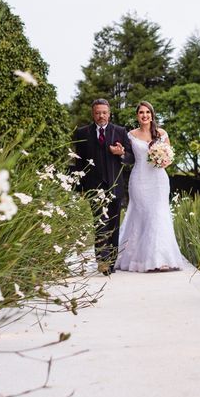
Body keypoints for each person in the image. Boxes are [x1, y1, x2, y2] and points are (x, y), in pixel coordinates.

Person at [115, 101, 185, 272]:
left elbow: (169, 157)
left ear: (152, 115)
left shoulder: (161, 133)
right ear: (137, 115)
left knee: (158, 215)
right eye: (141, 112)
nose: (144, 115)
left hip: (159, 180)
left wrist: (162, 160)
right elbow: (129, 158)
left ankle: (160, 259)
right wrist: (122, 153)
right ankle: (138, 259)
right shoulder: (130, 135)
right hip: (139, 179)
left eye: (147, 112)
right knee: (140, 215)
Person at [73, 98, 135, 275]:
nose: (101, 116)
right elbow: (79, 163)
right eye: (98, 112)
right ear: (93, 114)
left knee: (113, 225)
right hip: (94, 186)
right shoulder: (82, 133)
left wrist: (121, 152)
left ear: (109, 113)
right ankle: (103, 261)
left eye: (104, 112)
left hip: (115, 185)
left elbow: (131, 158)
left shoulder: (120, 131)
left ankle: (112, 262)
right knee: (99, 223)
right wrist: (81, 188)